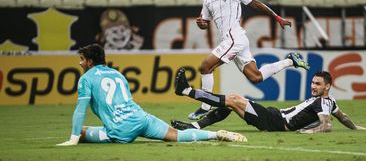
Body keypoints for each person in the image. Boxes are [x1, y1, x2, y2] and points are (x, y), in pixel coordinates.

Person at [56, 44, 247, 146]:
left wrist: (73, 138)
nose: (80, 63)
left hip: (120, 130)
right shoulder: (118, 74)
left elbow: (80, 110)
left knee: (81, 131)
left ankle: (77, 138)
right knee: (176, 135)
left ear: (89, 61)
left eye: (82, 60)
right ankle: (215, 134)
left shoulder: (86, 78)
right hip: (141, 118)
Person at [189, 0, 309, 120]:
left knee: (205, 67)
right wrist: (201, 24)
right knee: (256, 77)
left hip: (235, 38)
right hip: (233, 41)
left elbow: (256, 3)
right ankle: (289, 61)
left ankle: (205, 105)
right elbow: (204, 23)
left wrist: (277, 17)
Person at [173, 68, 366, 133]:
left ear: (327, 86)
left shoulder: (323, 103)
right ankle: (195, 127)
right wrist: (355, 128)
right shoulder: (330, 101)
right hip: (274, 116)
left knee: (232, 99)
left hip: (276, 122)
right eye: (313, 83)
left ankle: (187, 90)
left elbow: (327, 125)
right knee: (232, 103)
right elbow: (343, 117)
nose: (313, 86)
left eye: (317, 84)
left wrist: (308, 131)